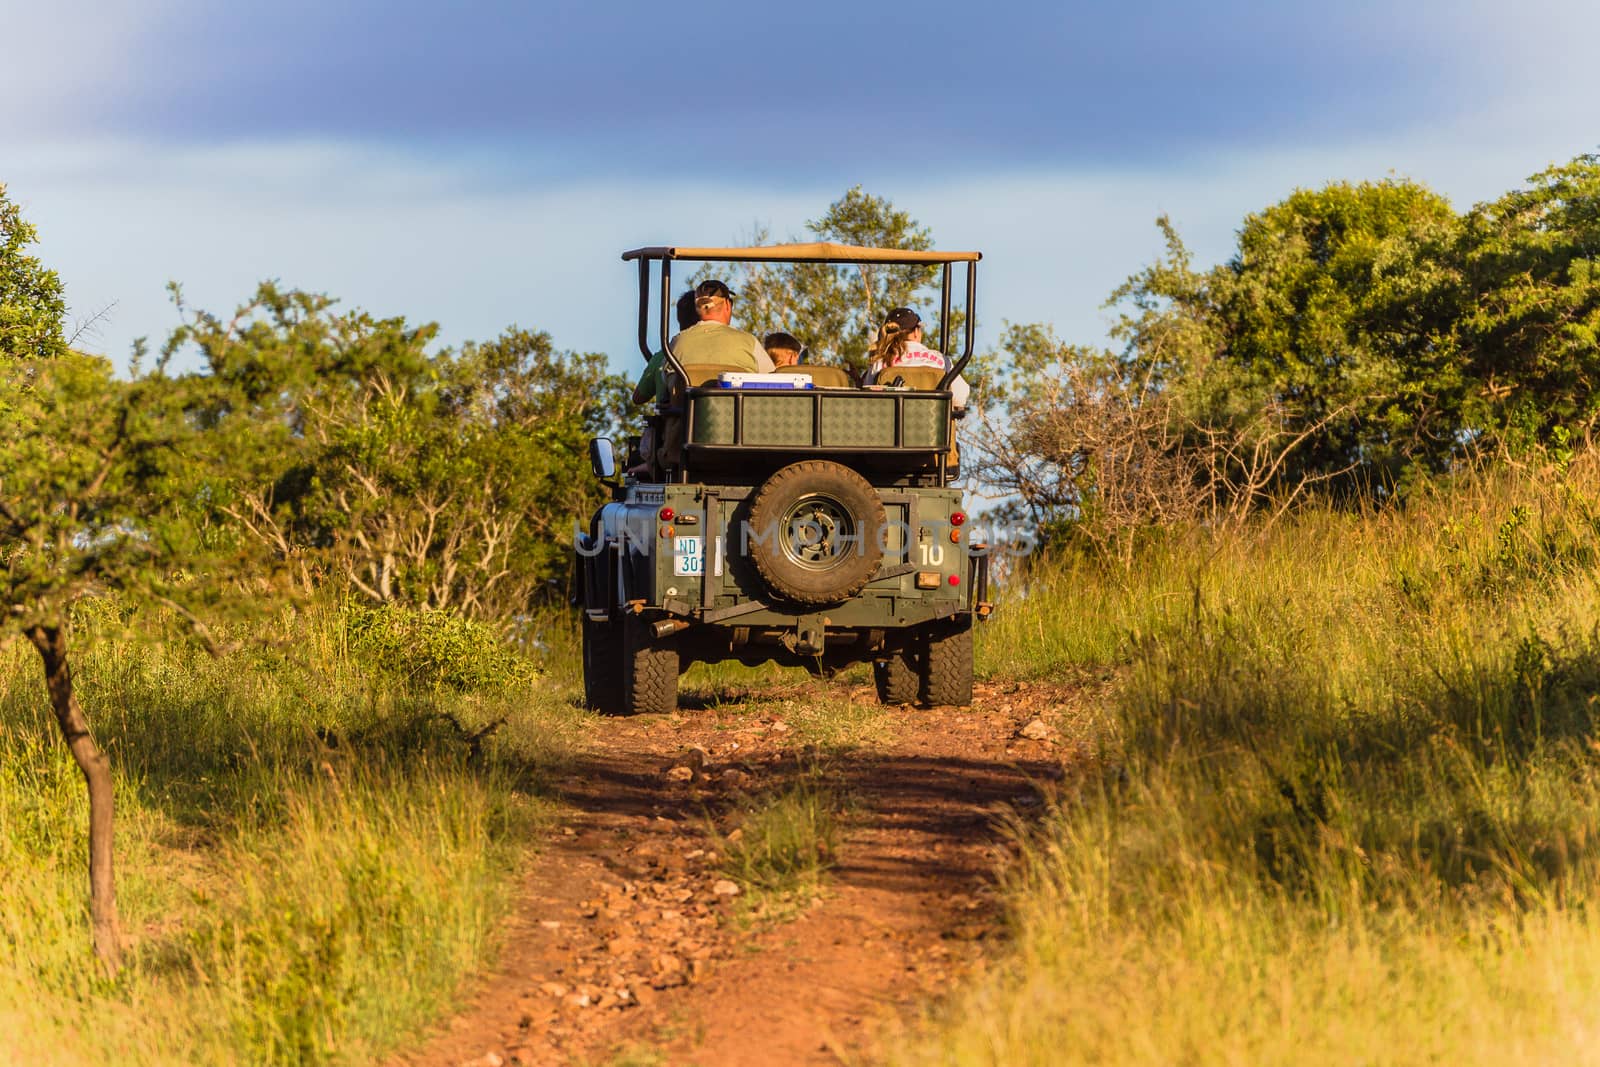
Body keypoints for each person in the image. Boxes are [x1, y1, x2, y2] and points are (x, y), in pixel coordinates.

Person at [863, 307, 970, 409]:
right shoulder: (941, 361)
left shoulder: (881, 363)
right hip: (932, 425)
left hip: (891, 426)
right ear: (916, 332)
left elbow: (867, 400)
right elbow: (961, 396)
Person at [672, 279, 774, 372]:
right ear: (727, 304)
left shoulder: (677, 342)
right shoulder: (749, 342)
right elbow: (773, 380)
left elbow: (666, 381)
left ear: (697, 308)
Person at [632, 290, 700, 406]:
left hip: (675, 422)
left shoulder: (664, 356)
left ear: (679, 319)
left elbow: (638, 397)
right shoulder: (721, 352)